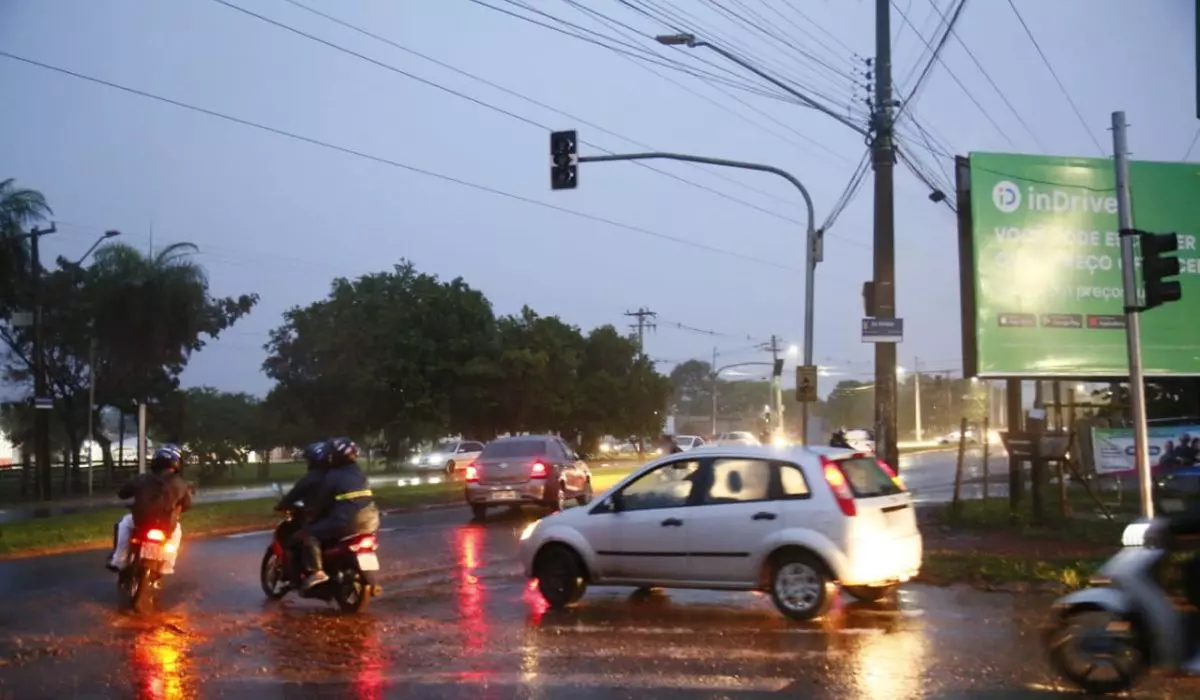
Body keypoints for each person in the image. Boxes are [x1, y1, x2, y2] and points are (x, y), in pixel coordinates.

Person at [300, 437, 380, 589]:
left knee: (309, 533)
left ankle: (317, 571)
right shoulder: (360, 474)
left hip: (345, 522)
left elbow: (321, 502)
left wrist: (312, 512)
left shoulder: (331, 476)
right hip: (371, 521)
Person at [107, 443, 192, 575]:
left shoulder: (142, 478)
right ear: (177, 463)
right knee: (176, 533)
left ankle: (119, 559)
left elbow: (123, 493)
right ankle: (167, 565)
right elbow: (187, 505)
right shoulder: (181, 484)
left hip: (140, 521)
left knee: (124, 524)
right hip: (166, 525)